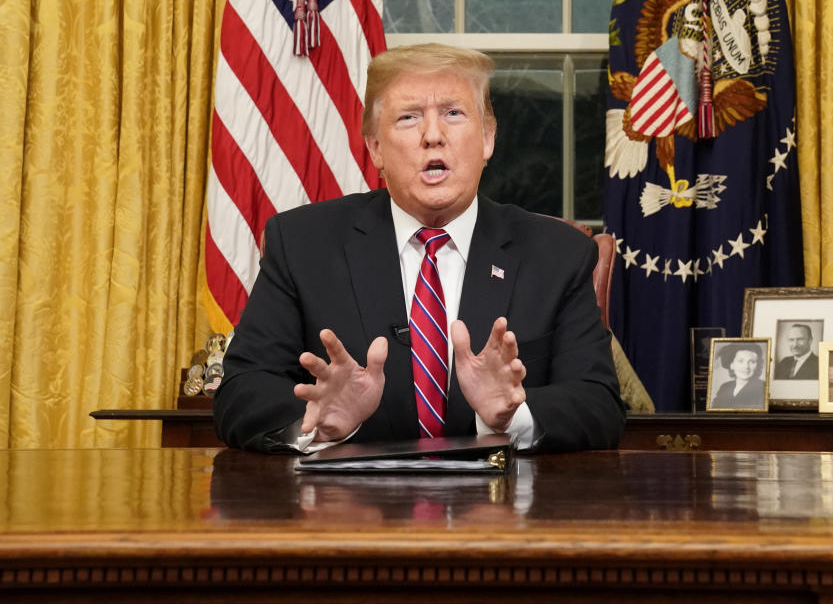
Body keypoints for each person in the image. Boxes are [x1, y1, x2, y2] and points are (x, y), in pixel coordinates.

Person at [213, 43, 625, 454]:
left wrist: (510, 416)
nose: (433, 136)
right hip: (350, 510)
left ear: (487, 139)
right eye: (409, 118)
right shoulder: (303, 244)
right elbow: (241, 393)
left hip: (500, 511)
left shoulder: (558, 255)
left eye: (453, 113)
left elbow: (598, 404)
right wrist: (321, 425)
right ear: (375, 148)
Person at [710, 343, 767, 409]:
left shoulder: (763, 387)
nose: (746, 366)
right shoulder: (725, 387)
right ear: (731, 365)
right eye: (740, 361)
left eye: (752, 362)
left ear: (757, 365)